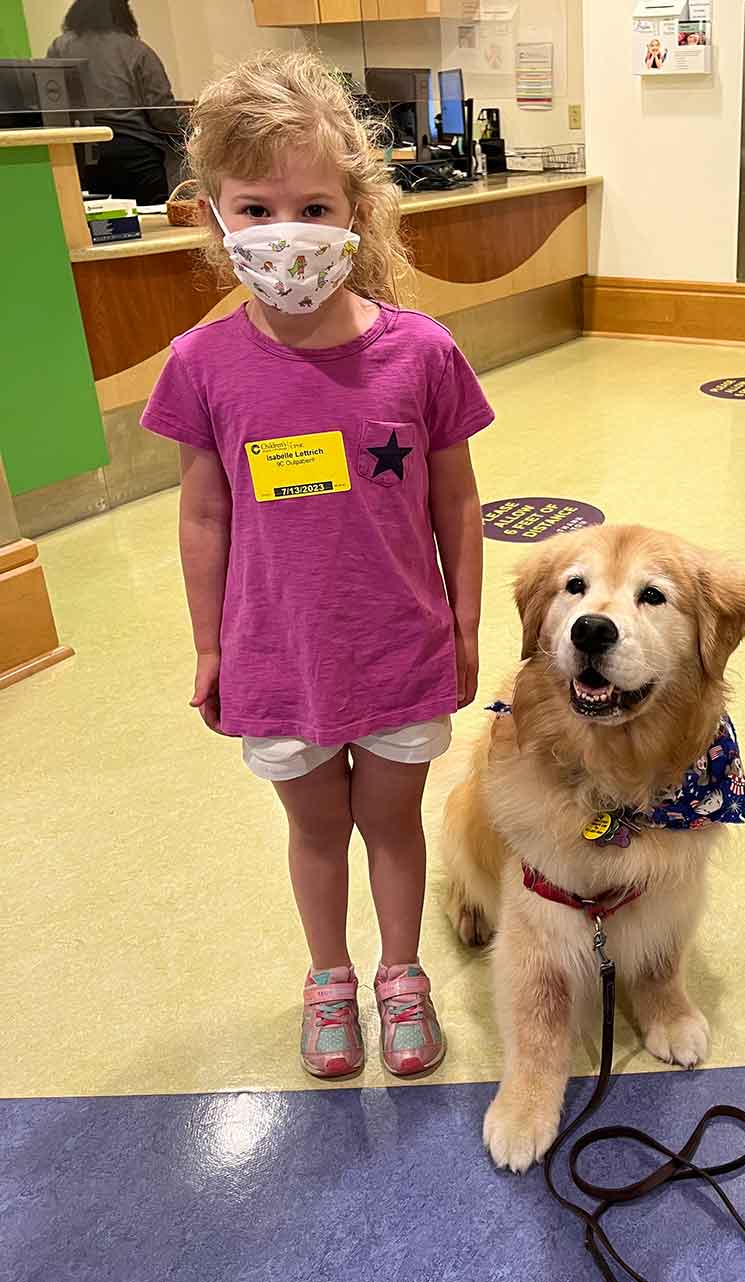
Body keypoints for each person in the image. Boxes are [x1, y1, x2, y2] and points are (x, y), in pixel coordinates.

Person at [141, 52, 493, 1080]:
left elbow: (457, 499)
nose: (283, 230)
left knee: (390, 821)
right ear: (212, 215)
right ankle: (328, 976)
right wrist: (208, 645)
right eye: (254, 206)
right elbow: (204, 515)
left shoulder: (420, 352)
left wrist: (466, 626)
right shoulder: (200, 367)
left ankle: (400, 973)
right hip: (277, 654)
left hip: (397, 645)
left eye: (311, 203)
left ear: (357, 211)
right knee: (315, 827)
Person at [48, 0, 181, 204]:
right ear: (122, 12)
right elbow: (161, 112)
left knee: (99, 228)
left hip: (84, 155)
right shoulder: (137, 50)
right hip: (136, 155)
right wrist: (187, 134)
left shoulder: (60, 47)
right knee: (153, 225)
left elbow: (52, 102)